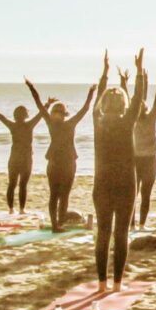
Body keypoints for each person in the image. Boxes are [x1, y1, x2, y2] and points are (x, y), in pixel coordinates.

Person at [89, 53, 141, 292]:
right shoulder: (128, 120)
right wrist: (139, 72)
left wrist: (105, 73)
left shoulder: (97, 121)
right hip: (126, 183)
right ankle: (117, 284)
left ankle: (101, 284)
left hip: (102, 182)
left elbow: (96, 104)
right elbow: (138, 99)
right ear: (123, 105)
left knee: (103, 233)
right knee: (121, 234)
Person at [27, 76, 96, 232]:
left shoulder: (54, 123)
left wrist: (31, 87)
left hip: (60, 162)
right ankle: (56, 224)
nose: (56, 115)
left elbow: (39, 105)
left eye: (56, 113)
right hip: (64, 162)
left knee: (60, 195)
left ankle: (57, 223)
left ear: (59, 114)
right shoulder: (68, 123)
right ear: (63, 114)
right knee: (58, 195)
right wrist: (91, 93)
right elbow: (84, 109)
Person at [0, 97, 41, 214]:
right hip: (26, 159)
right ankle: (22, 209)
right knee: (23, 185)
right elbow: (41, 114)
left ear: (15, 116)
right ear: (25, 115)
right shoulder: (29, 125)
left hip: (14, 158)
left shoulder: (12, 125)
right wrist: (47, 104)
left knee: (12, 184)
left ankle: (11, 209)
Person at [130, 58, 156, 229]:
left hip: (136, 160)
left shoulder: (132, 120)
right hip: (149, 160)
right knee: (145, 194)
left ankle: (131, 224)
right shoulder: (150, 118)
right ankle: (142, 225)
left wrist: (144, 81)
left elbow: (139, 99)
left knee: (134, 193)